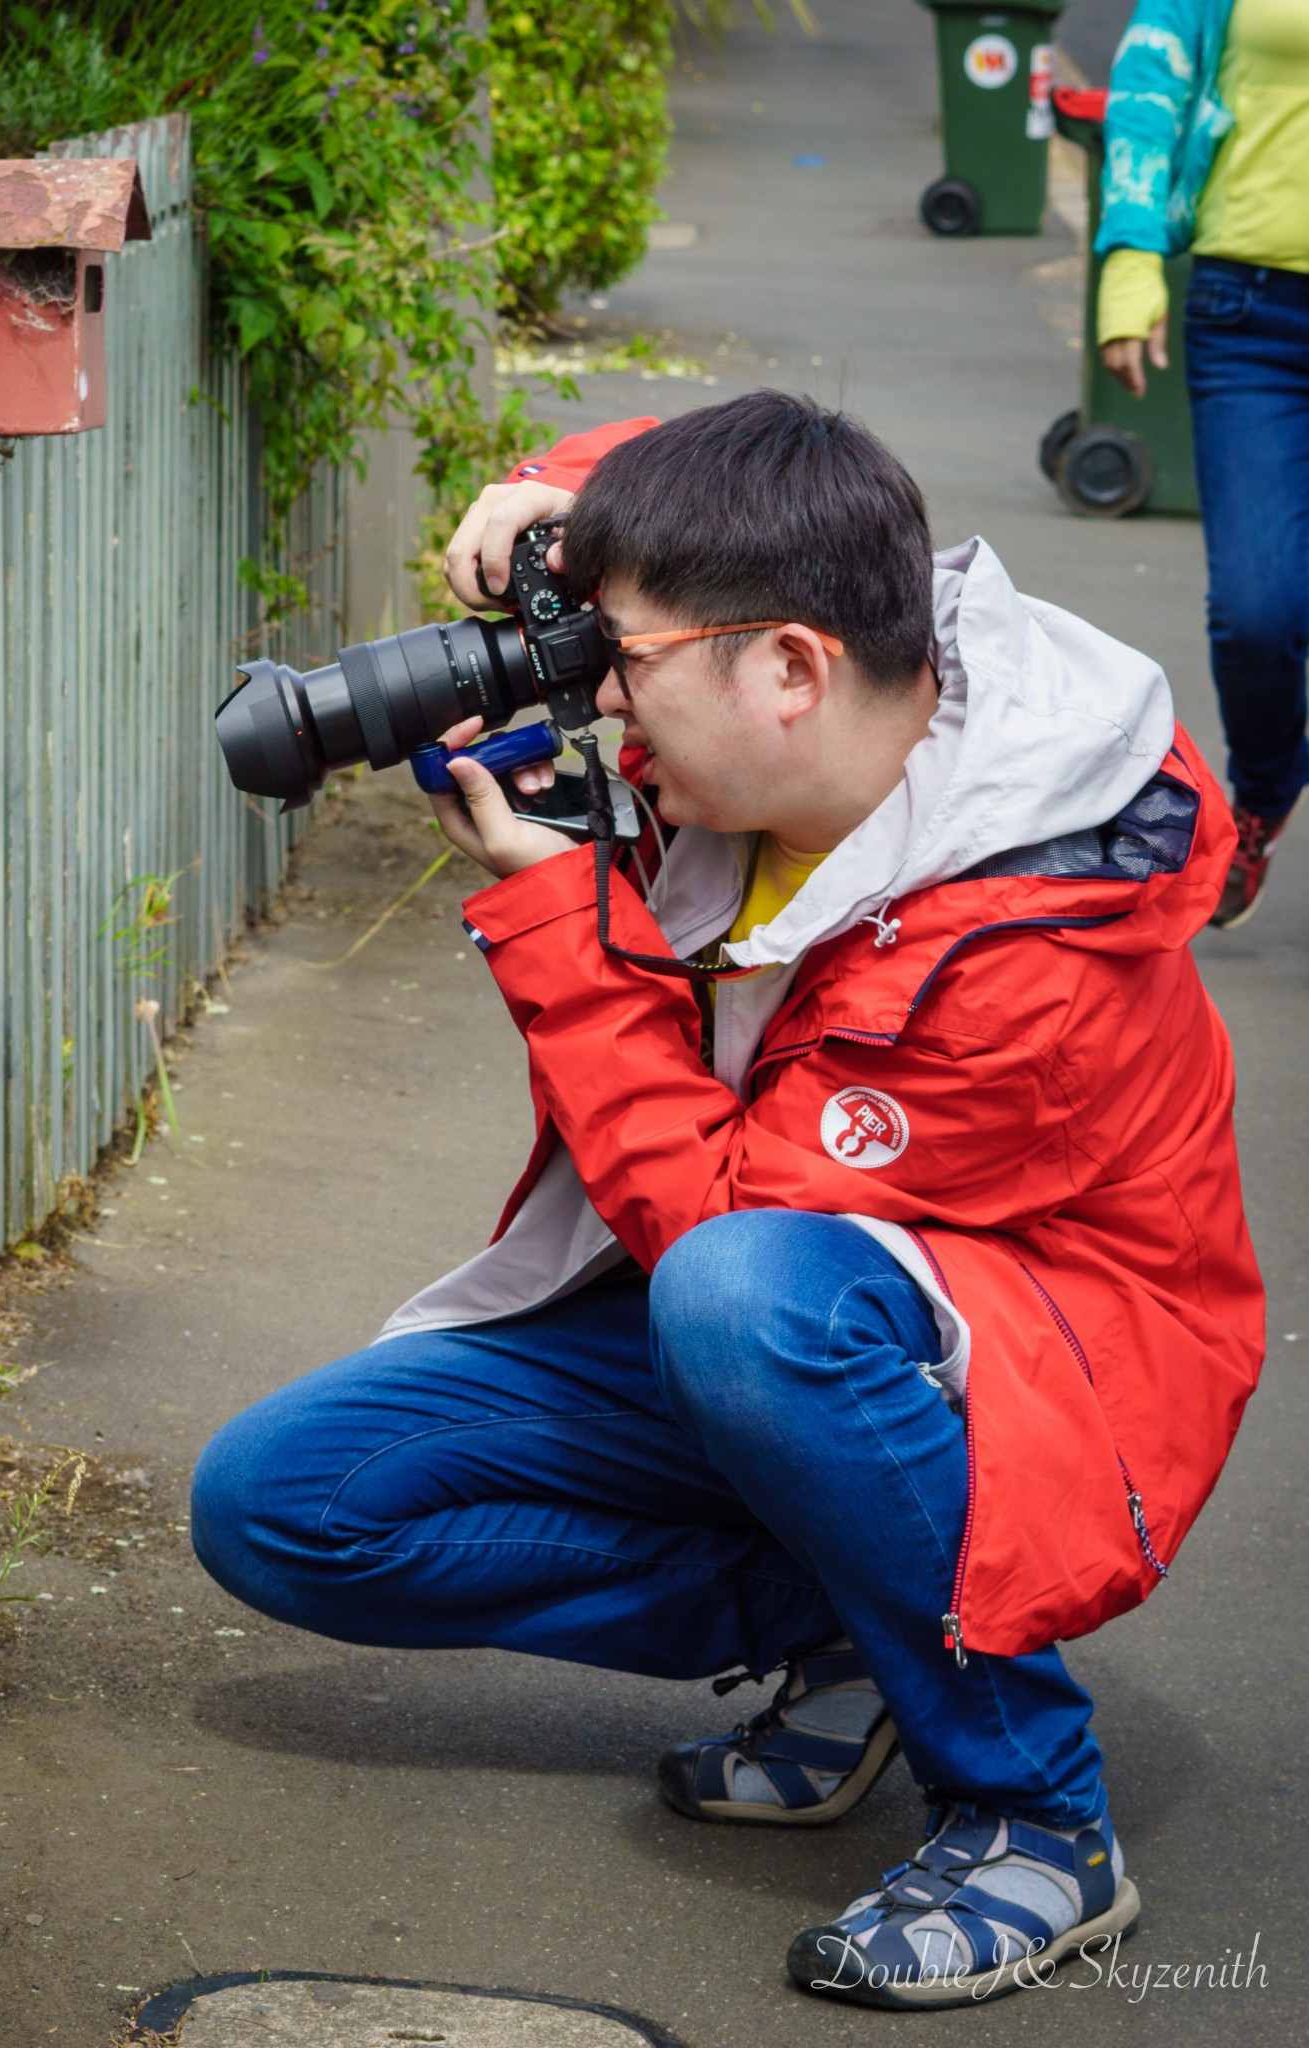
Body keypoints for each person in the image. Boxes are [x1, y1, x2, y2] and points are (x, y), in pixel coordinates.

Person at [191, 397, 1266, 2009]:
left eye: (619, 659)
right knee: (285, 1505)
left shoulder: (1024, 940)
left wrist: (563, 930)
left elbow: (709, 1234)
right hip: (811, 1311)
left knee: (741, 1299)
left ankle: (1037, 1818)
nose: (600, 702)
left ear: (786, 669)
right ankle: (858, 1624)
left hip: (1053, 1366)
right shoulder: (814, 690)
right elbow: (775, 451)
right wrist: (555, 495)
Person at [1096, 0, 1309, 926]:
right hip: (1249, 315)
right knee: (1257, 612)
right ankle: (1262, 790)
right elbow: (1149, 85)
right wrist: (1131, 262)